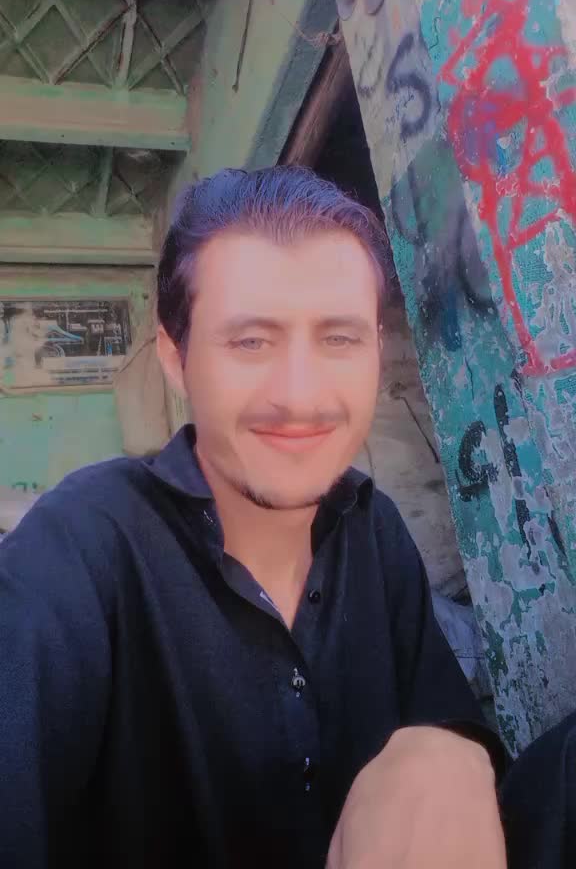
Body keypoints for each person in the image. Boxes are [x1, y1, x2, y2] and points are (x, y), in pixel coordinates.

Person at [0, 166, 565, 868]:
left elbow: (440, 711)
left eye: (339, 339)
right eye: (250, 342)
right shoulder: (81, 548)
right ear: (176, 358)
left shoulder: (372, 527)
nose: (300, 397)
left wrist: (450, 751)